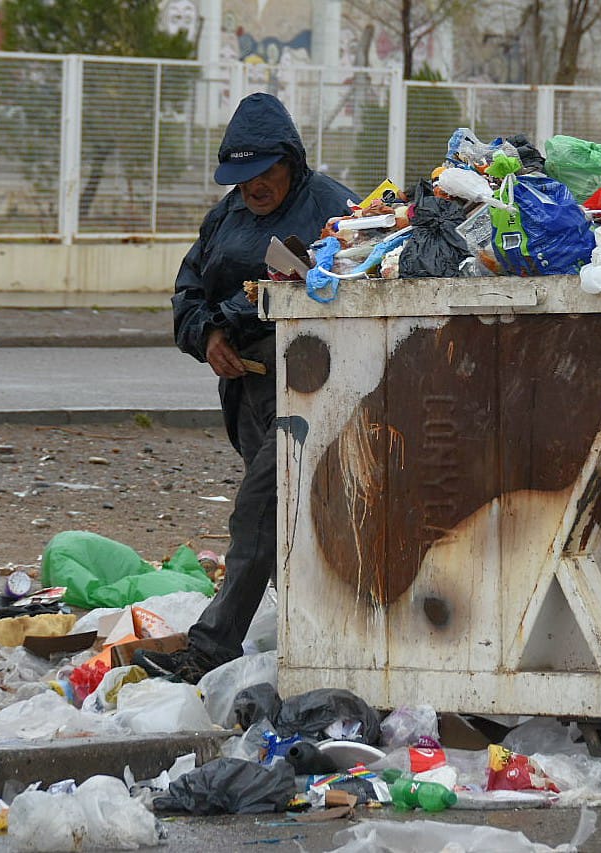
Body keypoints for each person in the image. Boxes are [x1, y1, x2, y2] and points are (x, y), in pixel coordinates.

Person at [136, 93, 355, 682]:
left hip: (315, 387)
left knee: (258, 513)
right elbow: (188, 291)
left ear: (290, 162)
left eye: (264, 173)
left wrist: (236, 314)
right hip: (249, 394)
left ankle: (211, 648)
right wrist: (208, 335)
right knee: (287, 525)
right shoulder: (226, 216)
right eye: (243, 176)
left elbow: (347, 281)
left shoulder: (334, 209)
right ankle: (316, 644)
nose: (254, 186)